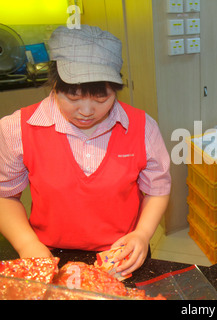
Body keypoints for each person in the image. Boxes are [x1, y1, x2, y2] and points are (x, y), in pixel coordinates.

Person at [0, 25, 171, 276]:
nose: (87, 111)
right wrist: (27, 244)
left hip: (121, 252)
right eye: (73, 96)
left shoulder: (142, 128)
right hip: (46, 251)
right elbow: (5, 195)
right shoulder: (17, 128)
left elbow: (158, 189)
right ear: (54, 84)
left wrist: (143, 234)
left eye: (101, 98)